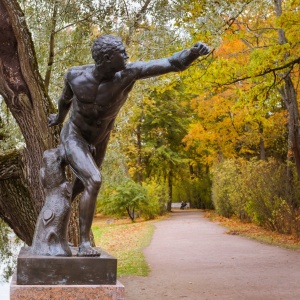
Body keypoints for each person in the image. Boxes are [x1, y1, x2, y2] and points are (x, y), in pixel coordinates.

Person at [48, 35, 209, 256]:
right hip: (74, 134)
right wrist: (58, 118)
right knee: (94, 180)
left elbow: (171, 63)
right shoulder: (75, 76)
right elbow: (64, 100)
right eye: (121, 52)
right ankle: (84, 244)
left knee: (78, 188)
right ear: (106, 58)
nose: (126, 55)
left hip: (100, 138)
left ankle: (53, 225)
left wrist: (191, 54)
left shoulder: (128, 74)